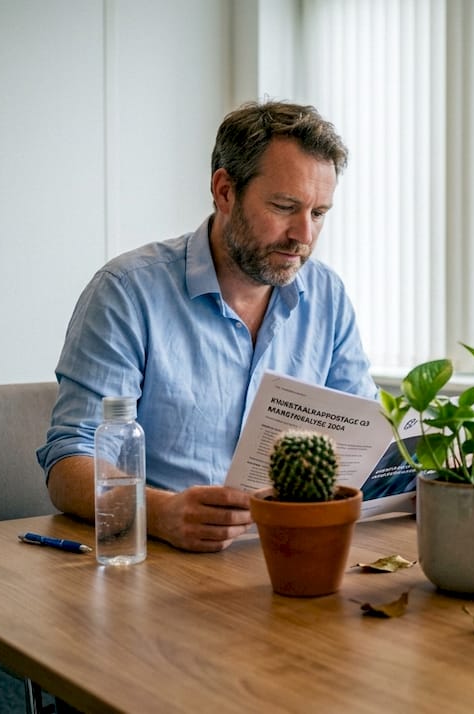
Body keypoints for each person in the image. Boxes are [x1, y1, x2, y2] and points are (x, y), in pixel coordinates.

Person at [36, 101, 376, 553]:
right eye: (284, 206)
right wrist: (159, 512)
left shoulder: (327, 295)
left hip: (287, 551)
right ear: (224, 191)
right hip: (162, 558)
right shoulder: (128, 292)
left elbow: (363, 437)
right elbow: (69, 464)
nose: (304, 235)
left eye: (318, 214)